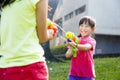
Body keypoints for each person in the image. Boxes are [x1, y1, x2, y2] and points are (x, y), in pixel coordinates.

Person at [0, 0, 56, 80]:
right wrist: (50, 33)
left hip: (5, 69)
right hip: (31, 67)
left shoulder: (4, 3)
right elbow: (42, 37)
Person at [65, 16, 96, 80]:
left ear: (93, 28)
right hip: (74, 73)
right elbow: (67, 55)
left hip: (87, 74)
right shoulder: (75, 40)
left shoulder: (91, 41)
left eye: (86, 26)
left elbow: (86, 47)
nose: (83, 28)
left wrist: (76, 45)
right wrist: (71, 47)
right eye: (81, 25)